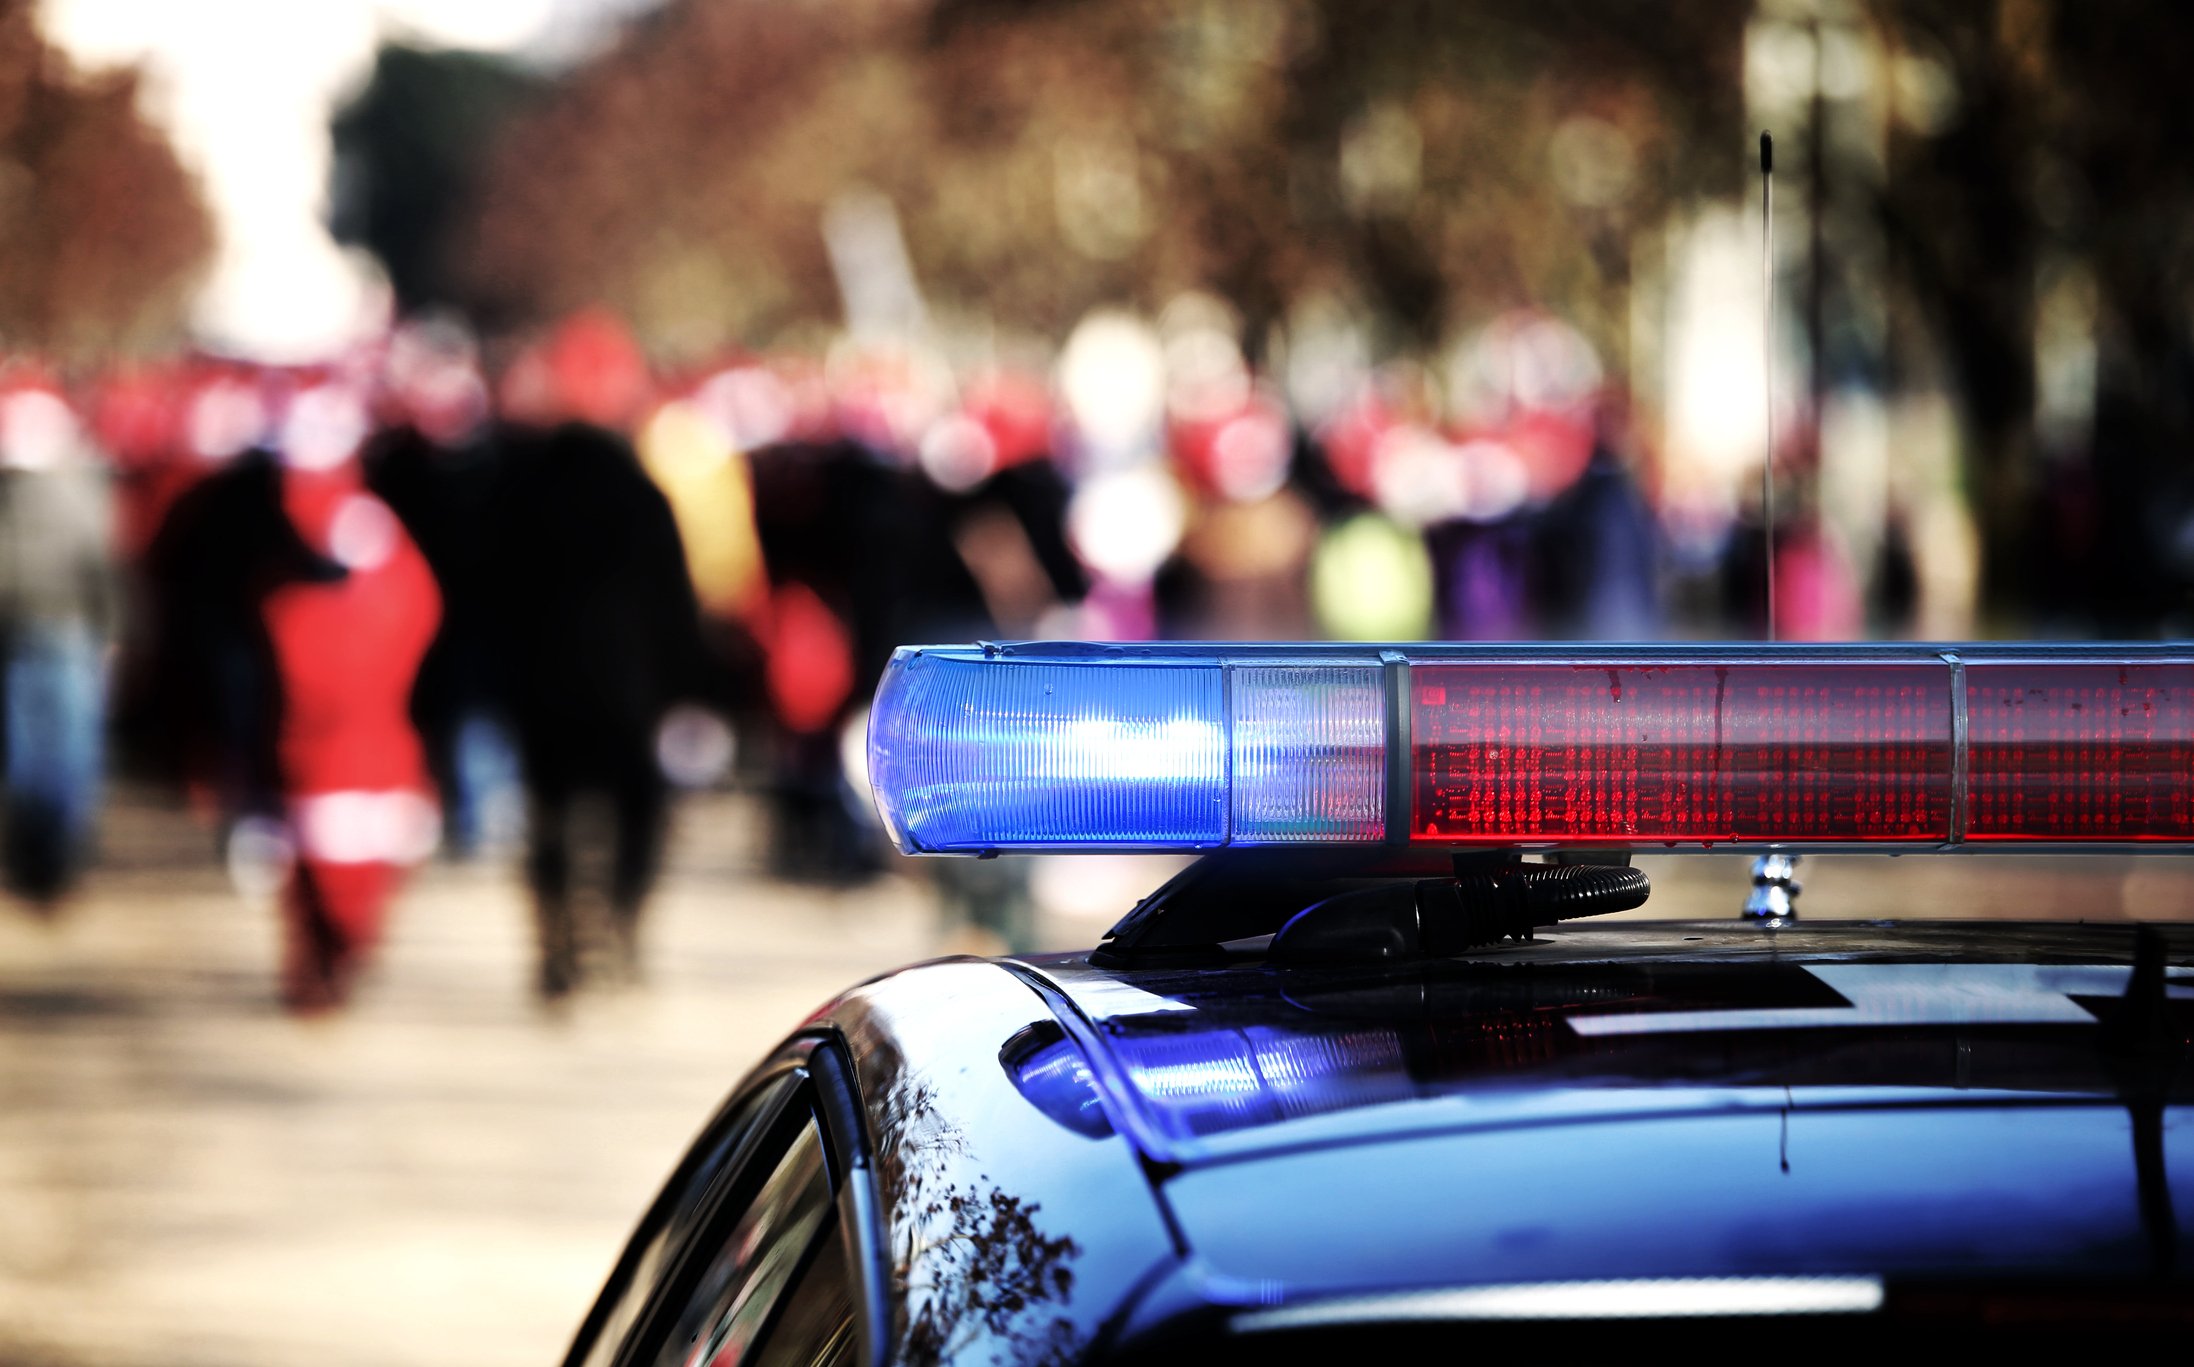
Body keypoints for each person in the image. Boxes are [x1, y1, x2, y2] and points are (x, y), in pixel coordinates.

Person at [492, 315, 713, 1000]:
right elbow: (676, 606)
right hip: (629, 690)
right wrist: (689, 687)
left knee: (551, 817)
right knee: (639, 817)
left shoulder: (518, 490)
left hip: (542, 686)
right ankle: (621, 926)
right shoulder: (643, 495)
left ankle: (557, 940)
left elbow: (492, 592)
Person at [259, 372, 441, 1011]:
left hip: (347, 731)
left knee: (333, 859)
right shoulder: (303, 537)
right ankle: (328, 959)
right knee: (326, 860)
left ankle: (333, 958)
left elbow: (410, 613)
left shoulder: (362, 534)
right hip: (333, 733)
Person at [0, 370, 121, 905]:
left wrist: (109, 631)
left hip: (58, 634)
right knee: (48, 754)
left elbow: (101, 567)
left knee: (55, 755)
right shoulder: (79, 489)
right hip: (38, 635)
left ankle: (53, 858)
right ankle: (48, 859)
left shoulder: (73, 491)